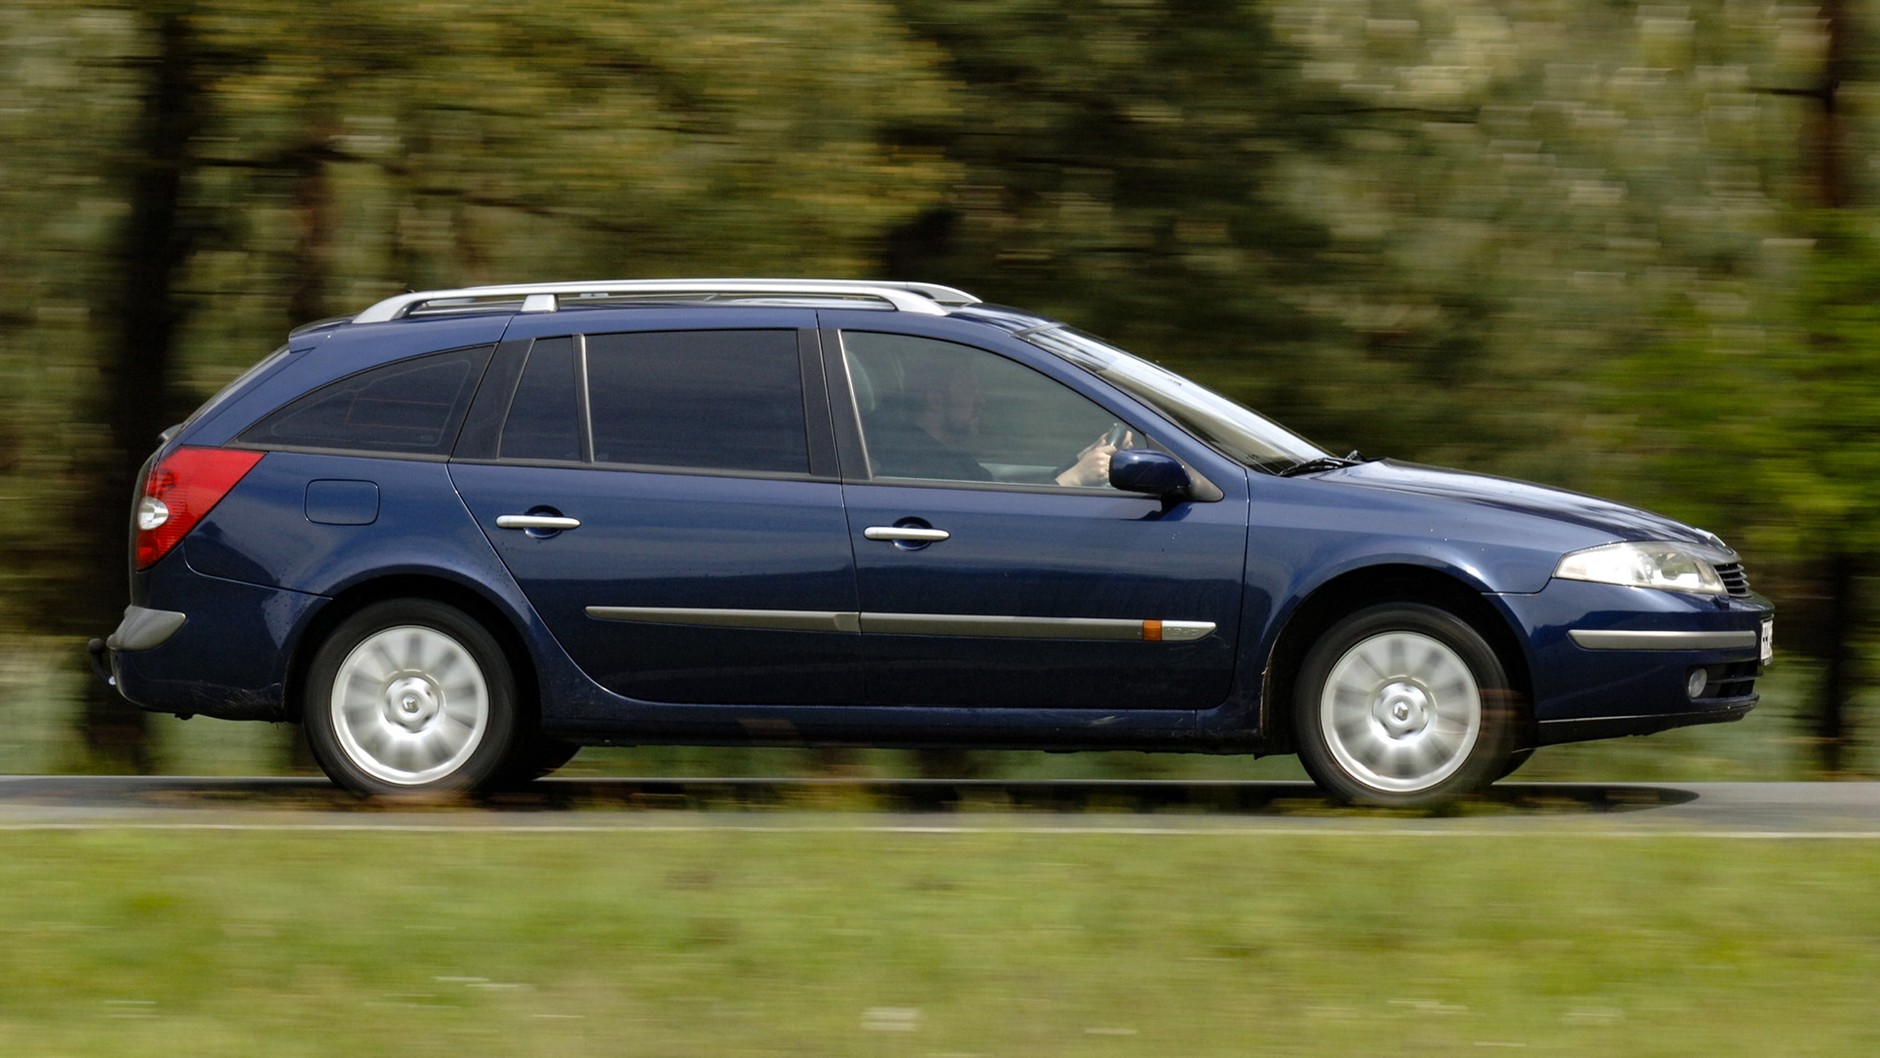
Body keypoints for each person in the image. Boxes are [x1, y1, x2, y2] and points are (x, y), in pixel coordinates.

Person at [870, 353, 1129, 486]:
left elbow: (1006, 494)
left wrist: (1078, 462)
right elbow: (999, 516)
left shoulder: (944, 458)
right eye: (970, 390)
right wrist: (1075, 479)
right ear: (935, 400)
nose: (981, 400)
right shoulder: (919, 468)